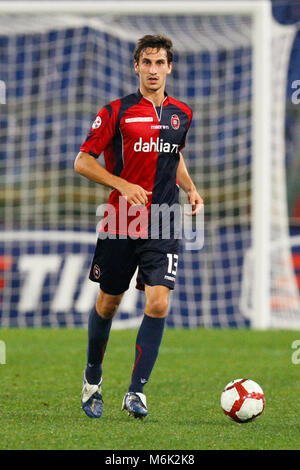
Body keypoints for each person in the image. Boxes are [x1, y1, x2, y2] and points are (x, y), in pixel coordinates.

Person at [74, 34, 203, 420]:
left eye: (159, 63)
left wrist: (191, 188)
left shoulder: (183, 113)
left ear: (169, 67)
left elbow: (172, 153)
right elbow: (82, 161)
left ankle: (136, 392)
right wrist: (122, 184)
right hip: (120, 220)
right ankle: (93, 378)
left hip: (163, 220)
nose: (153, 69)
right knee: (108, 304)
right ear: (136, 66)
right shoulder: (116, 111)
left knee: (159, 302)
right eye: (146, 62)